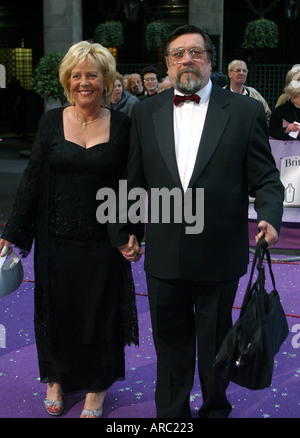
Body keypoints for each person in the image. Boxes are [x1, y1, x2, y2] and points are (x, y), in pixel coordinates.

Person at [108, 25, 284, 418]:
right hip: (165, 256)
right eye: (177, 54)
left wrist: (270, 216)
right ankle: (171, 419)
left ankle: (215, 410)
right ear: (168, 63)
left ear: (209, 59)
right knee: (170, 347)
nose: (187, 59)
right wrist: (124, 230)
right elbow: (132, 178)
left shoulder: (244, 111)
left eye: (195, 52)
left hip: (220, 255)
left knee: (217, 345)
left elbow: (267, 179)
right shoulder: (147, 110)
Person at [0, 41, 139, 418]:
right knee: (56, 312)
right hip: (55, 236)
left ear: (106, 80)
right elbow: (31, 179)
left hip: (103, 240)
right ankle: (56, 379)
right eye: (76, 75)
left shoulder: (125, 125)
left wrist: (133, 232)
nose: (83, 82)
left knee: (100, 312)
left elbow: (132, 183)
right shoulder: (50, 122)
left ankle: (97, 387)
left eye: (91, 75)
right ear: (67, 81)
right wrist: (12, 231)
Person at [270, 74, 300, 140]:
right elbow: (271, 132)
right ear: (294, 98)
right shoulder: (279, 111)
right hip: (284, 148)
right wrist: (286, 130)